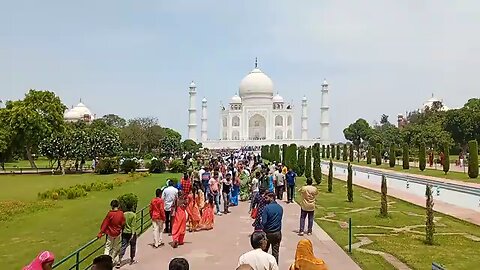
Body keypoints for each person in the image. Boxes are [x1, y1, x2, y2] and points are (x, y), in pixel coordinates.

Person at [98, 200, 125, 265]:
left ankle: (105, 261)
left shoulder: (110, 214)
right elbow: (123, 223)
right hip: (118, 233)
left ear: (111, 206)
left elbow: (105, 223)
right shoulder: (121, 213)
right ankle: (111, 260)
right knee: (115, 248)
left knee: (107, 247)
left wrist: (101, 233)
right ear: (118, 205)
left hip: (110, 233)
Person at [261, 192, 283, 263]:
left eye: (266, 198)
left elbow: (264, 222)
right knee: (275, 253)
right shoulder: (280, 208)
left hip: (267, 233)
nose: (265, 199)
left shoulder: (266, 208)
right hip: (277, 233)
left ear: (271, 198)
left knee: (264, 253)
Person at [118, 202, 138, 268]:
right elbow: (133, 225)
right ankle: (132, 259)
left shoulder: (124, 214)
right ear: (132, 207)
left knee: (123, 246)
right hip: (131, 232)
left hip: (124, 232)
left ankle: (119, 260)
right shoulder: (133, 215)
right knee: (133, 246)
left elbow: (122, 224)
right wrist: (132, 234)